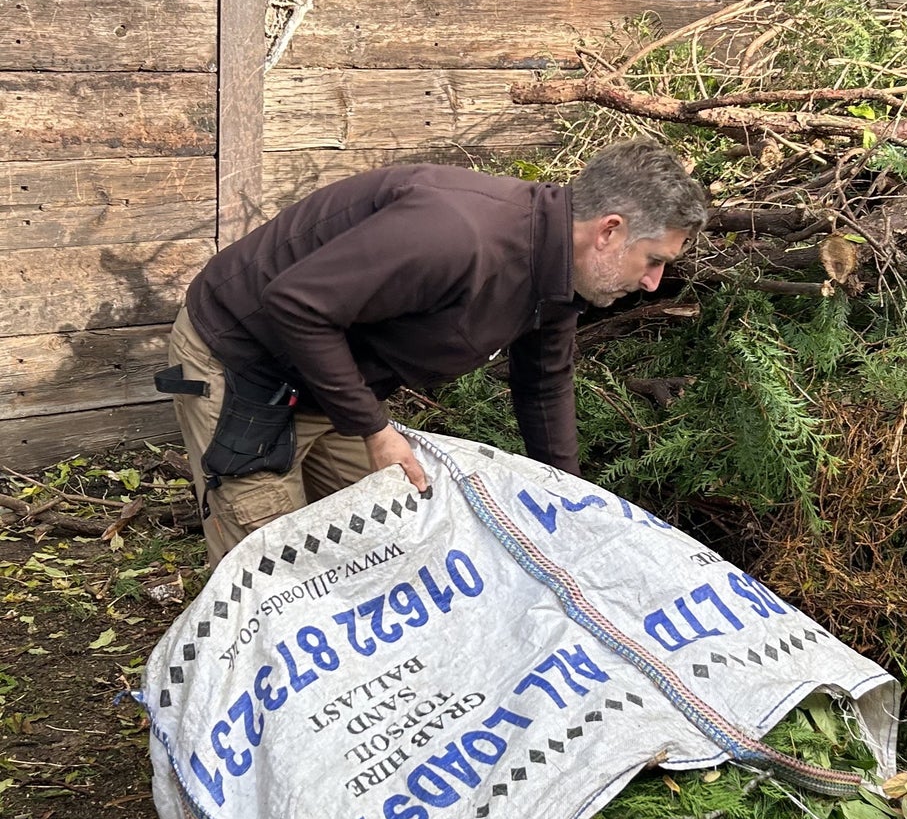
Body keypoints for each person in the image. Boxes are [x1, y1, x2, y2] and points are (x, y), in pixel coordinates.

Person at [157, 139, 708, 565]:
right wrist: (375, 430)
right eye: (653, 259)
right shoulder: (456, 235)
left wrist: (565, 502)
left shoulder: (560, 271)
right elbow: (296, 307)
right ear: (609, 231)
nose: (655, 282)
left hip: (330, 379)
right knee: (274, 565)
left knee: (398, 536)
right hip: (245, 363)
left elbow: (543, 382)